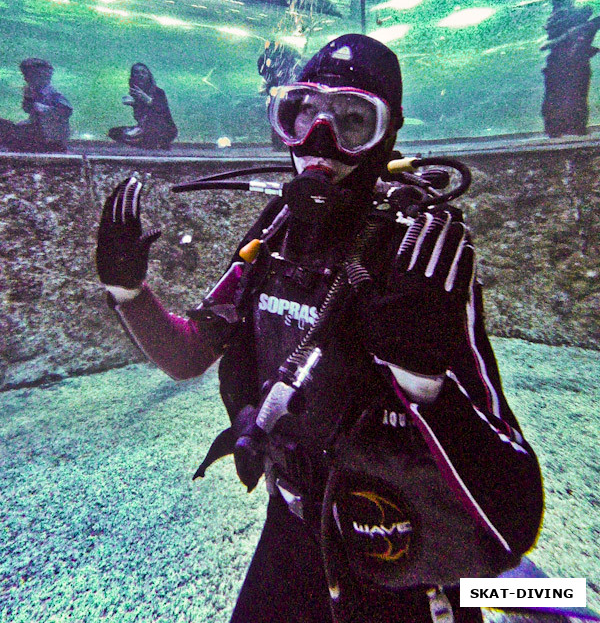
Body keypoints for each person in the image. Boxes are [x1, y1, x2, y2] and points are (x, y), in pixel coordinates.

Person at [95, 34, 543, 623]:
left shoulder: (418, 258)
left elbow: (512, 508)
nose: (319, 144)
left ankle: (531, 592)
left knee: (504, 577)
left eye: (353, 120)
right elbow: (187, 355)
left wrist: (423, 384)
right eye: (301, 114)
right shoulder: (275, 233)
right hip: (293, 519)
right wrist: (128, 293)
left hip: (398, 543)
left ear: (388, 135)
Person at [541, 0, 600, 137]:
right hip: (570, 66)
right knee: (572, 99)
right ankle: (570, 129)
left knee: (564, 99)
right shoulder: (577, 22)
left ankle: (562, 130)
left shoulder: (559, 23)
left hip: (562, 66)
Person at [0, 58, 72, 152]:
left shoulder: (53, 94)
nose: (25, 79)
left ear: (42, 75)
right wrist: (28, 99)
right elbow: (28, 109)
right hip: (38, 132)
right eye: (24, 75)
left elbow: (66, 110)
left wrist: (39, 107)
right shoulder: (34, 92)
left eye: (28, 75)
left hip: (49, 138)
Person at [108, 63, 178, 150]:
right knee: (114, 132)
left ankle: (156, 144)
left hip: (163, 130)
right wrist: (134, 104)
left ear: (149, 76)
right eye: (136, 72)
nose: (140, 75)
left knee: (151, 132)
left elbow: (162, 111)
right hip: (144, 129)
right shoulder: (135, 94)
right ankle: (149, 144)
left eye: (143, 72)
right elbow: (140, 116)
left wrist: (147, 99)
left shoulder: (159, 92)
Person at [257, 41, 303, 149]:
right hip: (279, 97)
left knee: (283, 120)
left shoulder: (290, 65)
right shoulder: (272, 65)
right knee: (278, 120)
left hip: (286, 97)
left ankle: (283, 144)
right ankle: (280, 145)